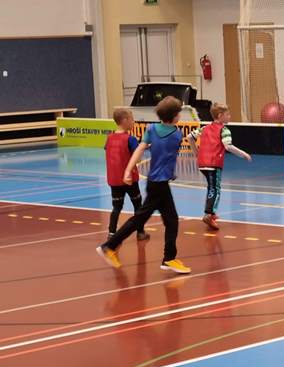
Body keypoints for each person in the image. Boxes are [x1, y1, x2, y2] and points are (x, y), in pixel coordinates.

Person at [96, 96, 191, 274]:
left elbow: (140, 149)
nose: (180, 116)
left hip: (155, 182)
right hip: (159, 185)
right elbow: (169, 156)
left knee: (171, 220)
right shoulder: (176, 134)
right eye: (179, 113)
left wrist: (127, 170)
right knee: (141, 218)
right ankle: (109, 246)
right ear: (174, 116)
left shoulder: (151, 129)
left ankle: (169, 258)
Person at [188, 102, 252, 231]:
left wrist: (196, 153)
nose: (229, 116)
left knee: (211, 187)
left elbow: (190, 137)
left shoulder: (205, 128)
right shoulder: (224, 130)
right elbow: (228, 146)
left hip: (202, 163)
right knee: (215, 189)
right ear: (220, 115)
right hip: (213, 164)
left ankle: (210, 212)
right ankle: (209, 214)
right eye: (227, 114)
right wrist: (243, 154)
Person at [105, 108, 148, 241]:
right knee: (138, 205)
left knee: (116, 207)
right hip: (130, 179)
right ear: (125, 120)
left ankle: (111, 233)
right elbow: (137, 159)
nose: (134, 122)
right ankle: (140, 232)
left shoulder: (109, 138)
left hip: (114, 179)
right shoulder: (130, 139)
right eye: (132, 119)